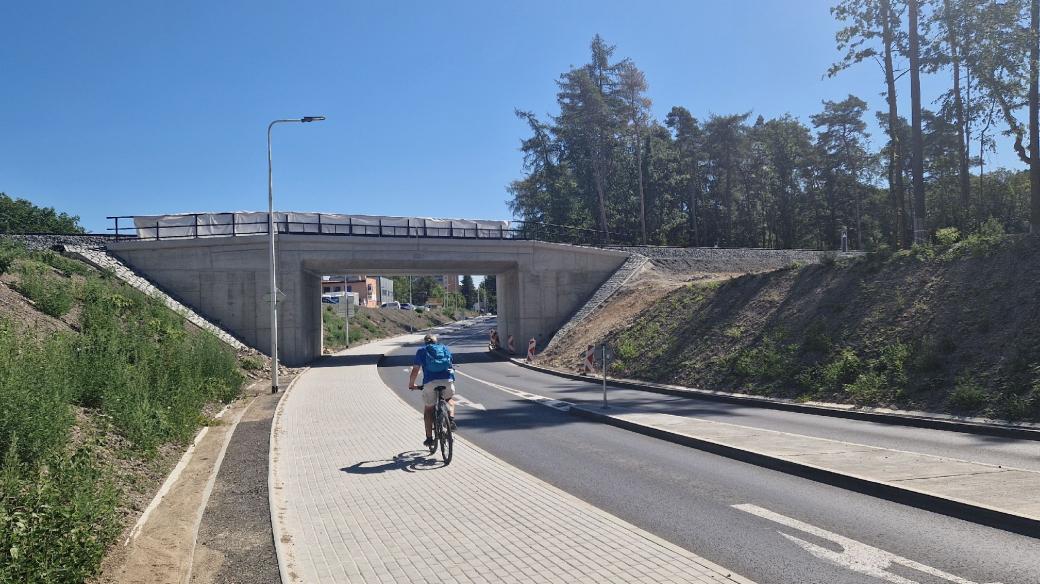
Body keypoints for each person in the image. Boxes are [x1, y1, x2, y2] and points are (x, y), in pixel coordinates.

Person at [408, 334, 457, 448]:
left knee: (428, 410)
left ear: (425, 342)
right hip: (448, 381)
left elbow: (415, 370)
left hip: (430, 383)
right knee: (449, 400)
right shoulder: (445, 348)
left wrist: (412, 384)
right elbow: (450, 365)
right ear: (436, 342)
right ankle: (450, 419)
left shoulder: (421, 351)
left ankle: (429, 439)